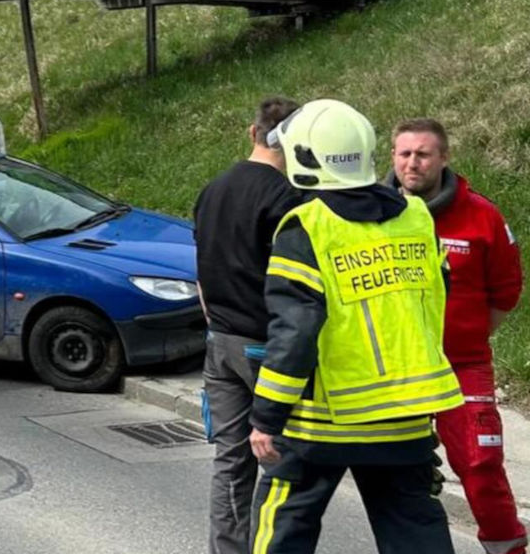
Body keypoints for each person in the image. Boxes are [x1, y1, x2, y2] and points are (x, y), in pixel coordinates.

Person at [248, 99, 463, 554]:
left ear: (308, 157)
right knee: (416, 530)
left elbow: (295, 332)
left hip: (323, 422)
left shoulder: (307, 228)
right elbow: (433, 300)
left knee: (282, 523)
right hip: (404, 416)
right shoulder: (417, 218)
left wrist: (267, 417)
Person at [386, 118, 526, 554]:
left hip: (462, 366)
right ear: (392, 157)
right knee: (395, 474)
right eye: (404, 153)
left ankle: (507, 548)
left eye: (423, 154)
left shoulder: (482, 216)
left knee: (481, 466)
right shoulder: (371, 212)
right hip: (395, 369)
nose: (413, 163)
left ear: (444, 158)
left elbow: (506, 291)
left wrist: (468, 336)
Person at [192, 96, 301, 554]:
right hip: (265, 346)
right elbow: (295, 288)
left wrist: (216, 324)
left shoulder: (213, 188)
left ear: (253, 133)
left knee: (231, 462)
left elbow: (200, 271)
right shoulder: (287, 199)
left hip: (220, 342)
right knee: (282, 462)